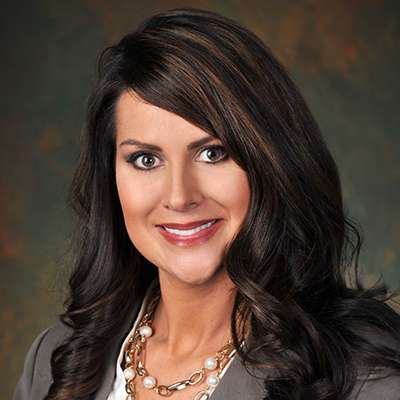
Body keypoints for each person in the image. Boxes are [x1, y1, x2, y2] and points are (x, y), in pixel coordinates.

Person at [13, 7, 400, 400]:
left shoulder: (364, 380)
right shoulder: (53, 363)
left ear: (272, 163)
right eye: (145, 160)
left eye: (213, 154)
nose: (180, 197)